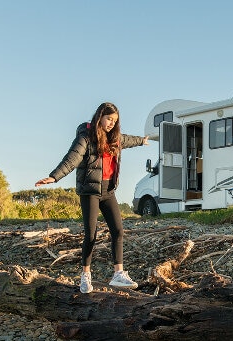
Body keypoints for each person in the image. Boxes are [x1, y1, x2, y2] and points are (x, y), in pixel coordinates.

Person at [35, 102, 149, 294]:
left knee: (118, 230)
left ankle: (118, 274)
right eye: (109, 119)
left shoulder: (115, 138)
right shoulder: (86, 137)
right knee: (91, 234)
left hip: (108, 191)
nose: (111, 123)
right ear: (100, 117)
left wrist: (142, 140)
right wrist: (54, 176)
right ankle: (85, 275)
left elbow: (128, 140)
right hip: (89, 191)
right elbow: (72, 158)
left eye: (115, 120)